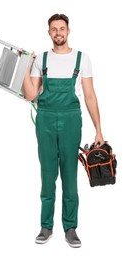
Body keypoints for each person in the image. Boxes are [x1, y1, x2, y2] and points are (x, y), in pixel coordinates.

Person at [22, 13, 104, 248]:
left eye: (62, 28)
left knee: (70, 176)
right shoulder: (42, 59)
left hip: (71, 121)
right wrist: (27, 67)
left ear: (68, 31)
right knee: (47, 176)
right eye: (54, 29)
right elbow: (30, 95)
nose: (58, 32)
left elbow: (89, 95)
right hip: (45, 119)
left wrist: (99, 130)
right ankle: (46, 226)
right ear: (49, 33)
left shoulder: (82, 58)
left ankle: (70, 228)